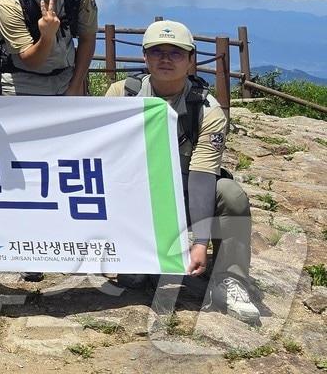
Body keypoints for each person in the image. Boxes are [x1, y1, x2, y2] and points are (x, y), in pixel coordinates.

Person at [106, 21, 260, 322]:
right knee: (134, 281)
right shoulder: (122, 95)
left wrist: (200, 242)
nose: (166, 59)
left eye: (176, 53)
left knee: (230, 193)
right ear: (145, 57)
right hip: (135, 199)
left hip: (187, 193)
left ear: (191, 60)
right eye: (157, 52)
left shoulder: (207, 110)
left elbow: (204, 176)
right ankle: (141, 257)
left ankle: (230, 280)